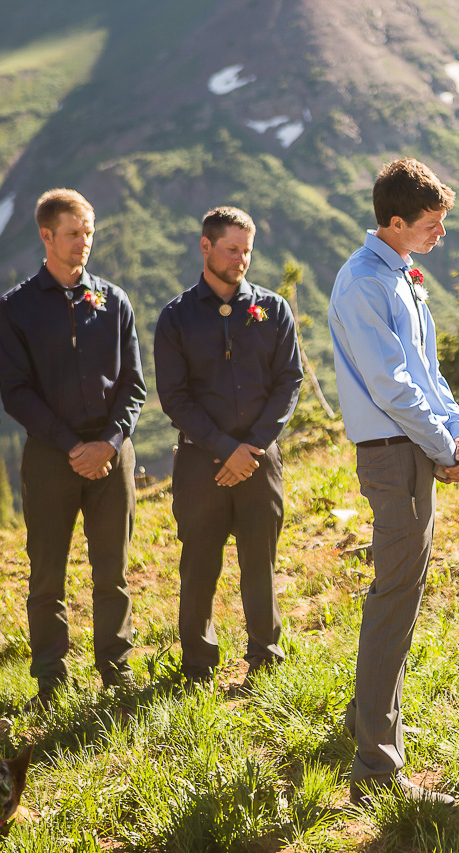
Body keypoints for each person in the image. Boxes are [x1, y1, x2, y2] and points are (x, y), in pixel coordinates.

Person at [329, 158, 459, 806]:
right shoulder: (364, 282)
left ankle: (370, 719)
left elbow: (429, 370)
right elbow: (392, 385)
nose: (440, 234)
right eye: (431, 224)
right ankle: (377, 769)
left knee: (401, 591)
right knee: (394, 595)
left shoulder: (404, 277)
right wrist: (442, 444)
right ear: (394, 223)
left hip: (416, 446)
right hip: (394, 453)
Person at [0, 188, 147, 707]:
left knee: (113, 569)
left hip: (112, 454)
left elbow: (134, 385)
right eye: (73, 233)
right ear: (46, 236)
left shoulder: (115, 300)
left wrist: (107, 442)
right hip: (49, 458)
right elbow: (15, 391)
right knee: (46, 574)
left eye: (89, 232)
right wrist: (71, 446)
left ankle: (116, 667)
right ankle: (51, 678)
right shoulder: (16, 307)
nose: (84, 242)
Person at [154, 206, 303, 689]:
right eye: (232, 249)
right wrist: (225, 448)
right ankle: (197, 663)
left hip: (261, 461)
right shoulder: (175, 318)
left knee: (260, 558)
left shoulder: (274, 309)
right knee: (199, 562)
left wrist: (253, 447)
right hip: (201, 463)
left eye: (247, 250)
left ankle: (266, 653)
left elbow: (289, 382)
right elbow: (175, 397)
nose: (241, 259)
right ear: (206, 247)